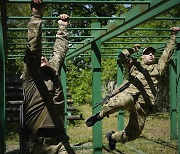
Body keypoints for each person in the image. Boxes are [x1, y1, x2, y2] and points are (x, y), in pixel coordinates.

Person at [86, 27, 180, 150]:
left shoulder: (158, 69)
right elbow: (121, 57)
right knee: (124, 100)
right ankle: (99, 115)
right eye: (147, 53)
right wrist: (131, 50)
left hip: (143, 106)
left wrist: (173, 36)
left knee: (134, 134)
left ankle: (113, 137)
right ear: (142, 56)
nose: (151, 55)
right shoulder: (135, 65)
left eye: (153, 53)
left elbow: (167, 54)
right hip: (130, 96)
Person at [21, 1, 75, 153]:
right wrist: (37, 14)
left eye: (45, 57)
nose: (42, 58)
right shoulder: (31, 77)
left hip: (60, 142)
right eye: (40, 57)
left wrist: (63, 26)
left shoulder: (52, 72)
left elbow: (59, 51)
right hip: (40, 146)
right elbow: (34, 46)